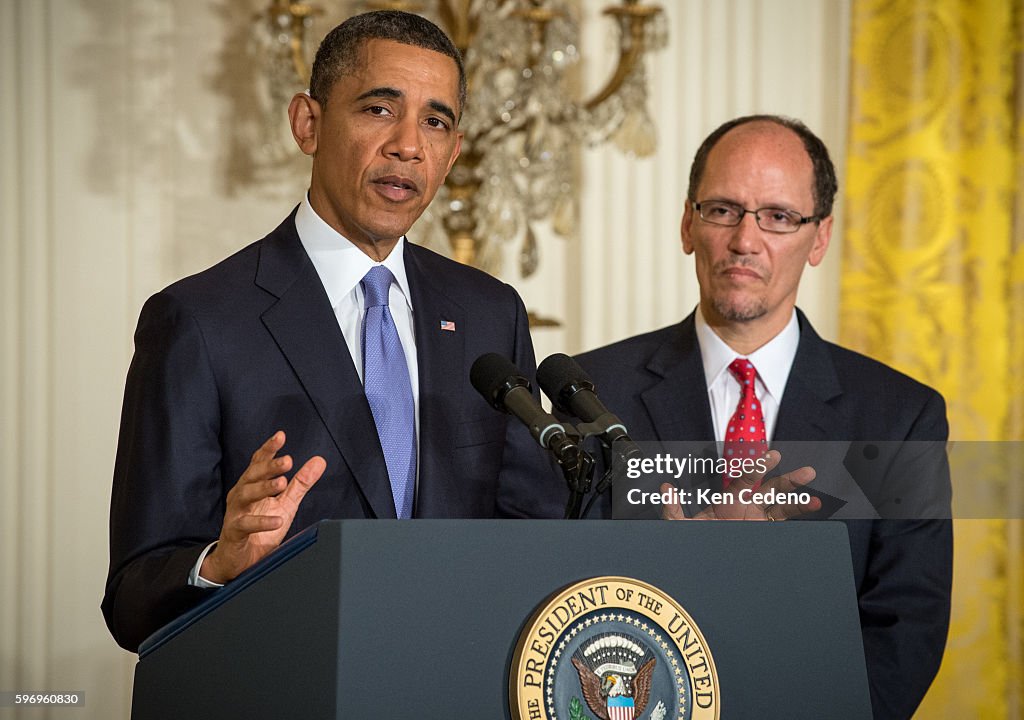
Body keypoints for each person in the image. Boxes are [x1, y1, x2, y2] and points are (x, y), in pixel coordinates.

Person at [103, 10, 563, 653]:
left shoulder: (490, 312)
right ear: (308, 124)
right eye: (379, 109)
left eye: (436, 121)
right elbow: (132, 597)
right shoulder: (200, 321)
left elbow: (533, 529)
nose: (408, 144)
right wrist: (218, 561)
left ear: (454, 152)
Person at [573, 115, 951, 719]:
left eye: (778, 216)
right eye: (723, 209)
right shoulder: (590, 395)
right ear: (687, 224)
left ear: (820, 237)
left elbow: (907, 626)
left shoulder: (900, 418)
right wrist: (680, 554)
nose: (745, 240)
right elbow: (556, 585)